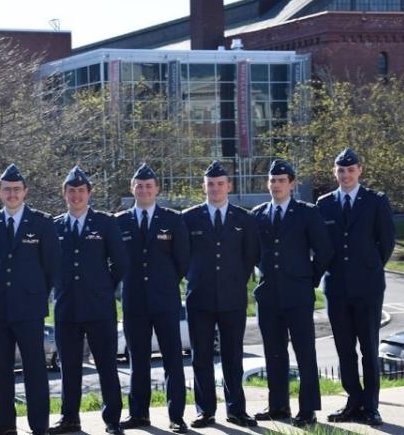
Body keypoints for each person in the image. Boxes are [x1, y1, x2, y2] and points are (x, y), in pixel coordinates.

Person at [251, 159, 334, 427]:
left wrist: (309, 278)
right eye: (272, 181)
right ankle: (278, 406)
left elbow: (324, 250)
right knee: (274, 353)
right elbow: (252, 251)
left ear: (292, 184)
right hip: (269, 295)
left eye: (281, 180)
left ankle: (308, 409)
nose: (276, 185)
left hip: (298, 293)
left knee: (304, 352)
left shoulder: (306, 212)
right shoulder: (258, 214)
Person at [316, 148, 395, 426]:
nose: (346, 175)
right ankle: (353, 401)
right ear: (334, 173)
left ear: (360, 170)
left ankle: (371, 406)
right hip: (336, 288)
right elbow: (321, 246)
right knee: (344, 349)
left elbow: (385, 244)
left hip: (368, 288)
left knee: (369, 348)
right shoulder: (324, 204)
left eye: (350, 170)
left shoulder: (376, 201)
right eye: (341, 170)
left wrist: (368, 269)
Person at [0, 163, 61, 435]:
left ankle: (39, 425)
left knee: (34, 370)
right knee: (0, 371)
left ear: (25, 191)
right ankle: (4, 424)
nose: (12, 194)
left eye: (16, 189)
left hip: (29, 307)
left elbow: (51, 267)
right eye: (7, 189)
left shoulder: (42, 222)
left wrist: (35, 292)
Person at [48, 166, 128, 435]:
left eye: (81, 191)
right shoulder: (55, 226)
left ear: (89, 193)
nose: (76, 196)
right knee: (69, 368)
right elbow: (47, 266)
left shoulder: (105, 223)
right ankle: (70, 417)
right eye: (71, 191)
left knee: (106, 366)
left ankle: (113, 420)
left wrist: (104, 287)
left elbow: (120, 263)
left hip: (99, 307)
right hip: (66, 307)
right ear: (64, 194)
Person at [181, 161, 259, 428]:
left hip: (232, 297)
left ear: (229, 186)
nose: (215, 189)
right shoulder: (189, 218)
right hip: (199, 297)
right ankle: (205, 410)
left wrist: (235, 280)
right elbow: (182, 256)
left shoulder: (244, 218)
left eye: (220, 184)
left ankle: (236, 409)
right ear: (204, 187)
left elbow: (250, 256)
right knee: (201, 356)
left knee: (233, 356)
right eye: (210, 184)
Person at [116, 163, 190, 433]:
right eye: (139, 185)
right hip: (134, 301)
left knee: (173, 359)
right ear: (132, 188)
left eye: (149, 185)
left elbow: (183, 261)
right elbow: (115, 261)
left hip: (165, 300)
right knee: (138, 361)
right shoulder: (120, 221)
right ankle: (139, 414)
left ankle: (176, 415)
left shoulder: (172, 219)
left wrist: (166, 283)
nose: (144, 190)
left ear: (157, 189)